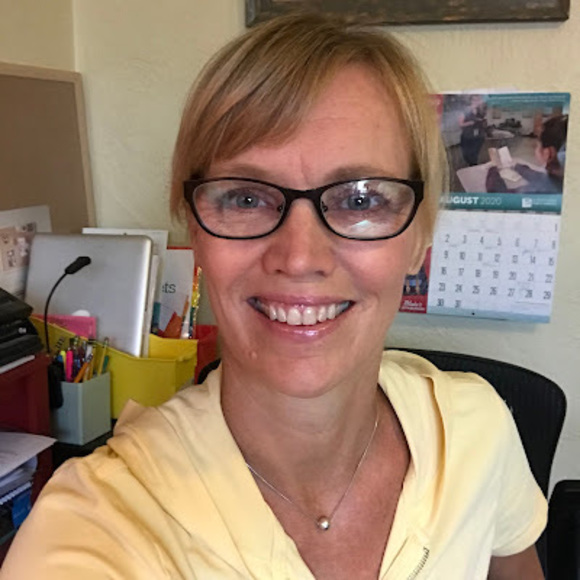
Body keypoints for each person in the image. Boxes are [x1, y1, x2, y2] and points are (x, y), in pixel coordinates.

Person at [1, 13, 546, 580]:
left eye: (360, 200)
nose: (300, 256)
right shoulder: (98, 524)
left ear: (420, 237)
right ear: (195, 233)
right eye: (245, 198)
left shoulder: (475, 429)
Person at [486, 114, 568, 194]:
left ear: (548, 153)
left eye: (537, 145)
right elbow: (542, 178)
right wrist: (518, 167)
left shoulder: (536, 191)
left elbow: (499, 193)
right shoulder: (561, 176)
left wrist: (493, 169)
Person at [458, 95, 488, 166]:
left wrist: (483, 123)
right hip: (467, 136)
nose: (476, 102)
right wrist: (469, 123)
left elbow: (484, 122)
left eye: (478, 100)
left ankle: (473, 166)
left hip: (478, 136)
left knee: (474, 155)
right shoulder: (465, 111)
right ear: (471, 101)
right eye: (474, 100)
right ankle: (471, 166)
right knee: (467, 155)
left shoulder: (481, 111)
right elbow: (460, 124)